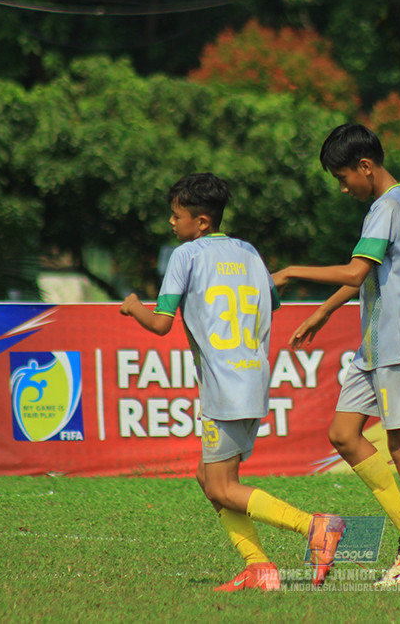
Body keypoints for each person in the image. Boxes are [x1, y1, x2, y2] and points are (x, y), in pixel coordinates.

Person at [120, 172, 344, 592]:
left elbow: (161, 324)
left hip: (223, 386)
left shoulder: (185, 257)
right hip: (254, 378)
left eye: (177, 215)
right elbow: (269, 302)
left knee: (222, 485)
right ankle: (258, 566)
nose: (172, 223)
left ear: (201, 221)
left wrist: (134, 306)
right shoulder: (248, 252)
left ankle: (314, 525)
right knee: (209, 479)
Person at [271, 124, 400, 587]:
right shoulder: (389, 204)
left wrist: (291, 271)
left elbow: (354, 270)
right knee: (344, 433)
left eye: (343, 177)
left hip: (398, 341)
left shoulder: (388, 206)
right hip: (374, 344)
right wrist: (325, 312)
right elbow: (365, 276)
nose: (343, 187)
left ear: (365, 167)